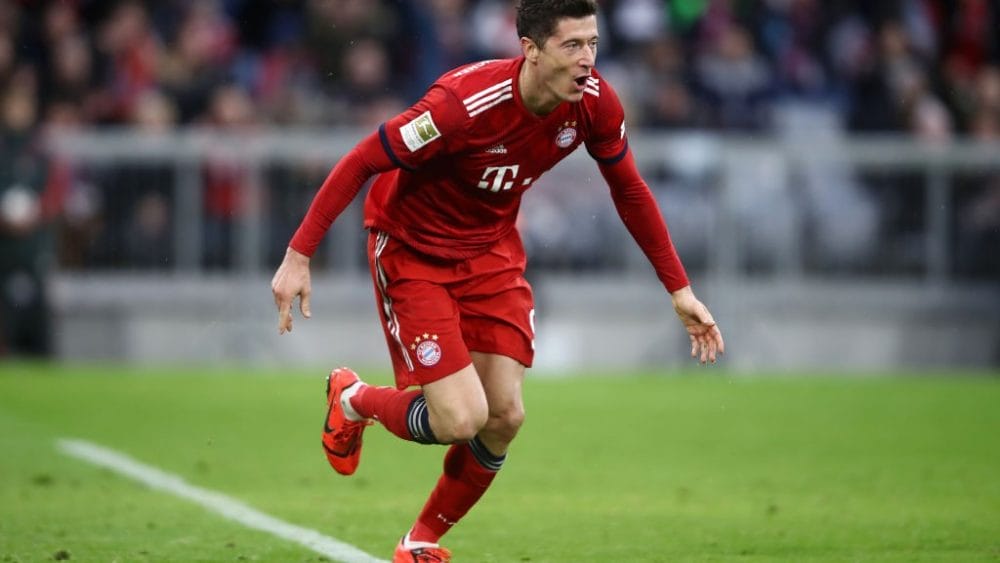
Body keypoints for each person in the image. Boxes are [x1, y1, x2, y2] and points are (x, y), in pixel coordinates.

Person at [271, 1, 724, 561]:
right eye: (573, 46)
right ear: (531, 51)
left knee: (504, 417)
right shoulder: (463, 106)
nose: (589, 61)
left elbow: (629, 190)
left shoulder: (594, 104)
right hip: (413, 251)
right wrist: (298, 255)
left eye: (594, 44)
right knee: (461, 419)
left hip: (491, 253)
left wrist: (680, 291)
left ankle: (420, 541)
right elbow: (365, 158)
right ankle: (355, 399)